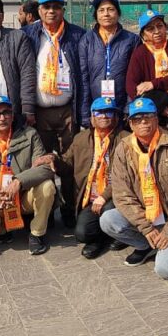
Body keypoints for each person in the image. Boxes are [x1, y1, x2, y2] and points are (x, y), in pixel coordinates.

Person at [99, 97, 168, 280]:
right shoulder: (124, 149)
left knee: (167, 271)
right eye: (137, 119)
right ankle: (147, 244)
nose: (143, 122)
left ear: (156, 119)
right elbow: (123, 195)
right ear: (130, 124)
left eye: (147, 117)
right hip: (147, 216)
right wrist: (146, 228)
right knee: (108, 220)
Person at [24, 0, 85, 224]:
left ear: (63, 10)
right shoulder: (28, 35)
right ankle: (46, 213)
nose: (51, 11)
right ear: (39, 10)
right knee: (41, 163)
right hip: (39, 112)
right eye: (46, 7)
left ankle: (71, 210)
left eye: (56, 7)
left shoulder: (77, 35)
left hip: (68, 110)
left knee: (69, 163)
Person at [0, 96, 57, 255]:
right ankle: (3, 231)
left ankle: (37, 234)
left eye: (6, 112)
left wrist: (18, 182)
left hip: (24, 197)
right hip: (1, 200)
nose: (2, 118)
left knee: (47, 187)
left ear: (12, 115)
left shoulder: (30, 135)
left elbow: (45, 168)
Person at [58, 97, 130, 259]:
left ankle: (121, 234)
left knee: (107, 211)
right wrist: (53, 161)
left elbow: (126, 176)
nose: (104, 116)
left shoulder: (126, 139)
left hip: (116, 196)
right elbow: (66, 164)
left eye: (109, 112)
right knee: (82, 234)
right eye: (99, 112)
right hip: (90, 198)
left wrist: (104, 196)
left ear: (116, 117)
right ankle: (102, 238)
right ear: (91, 117)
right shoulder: (80, 138)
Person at [126, 8, 168, 137]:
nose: (156, 32)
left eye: (159, 26)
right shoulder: (140, 53)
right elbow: (131, 85)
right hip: (151, 114)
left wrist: (154, 83)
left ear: (165, 28)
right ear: (143, 34)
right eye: (150, 29)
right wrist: (158, 108)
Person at [78, 0, 139, 129]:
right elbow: (83, 78)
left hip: (121, 106)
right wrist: (86, 112)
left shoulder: (131, 40)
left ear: (118, 13)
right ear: (96, 15)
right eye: (101, 10)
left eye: (111, 9)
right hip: (97, 108)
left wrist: (128, 108)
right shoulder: (86, 41)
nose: (106, 14)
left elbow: (134, 77)